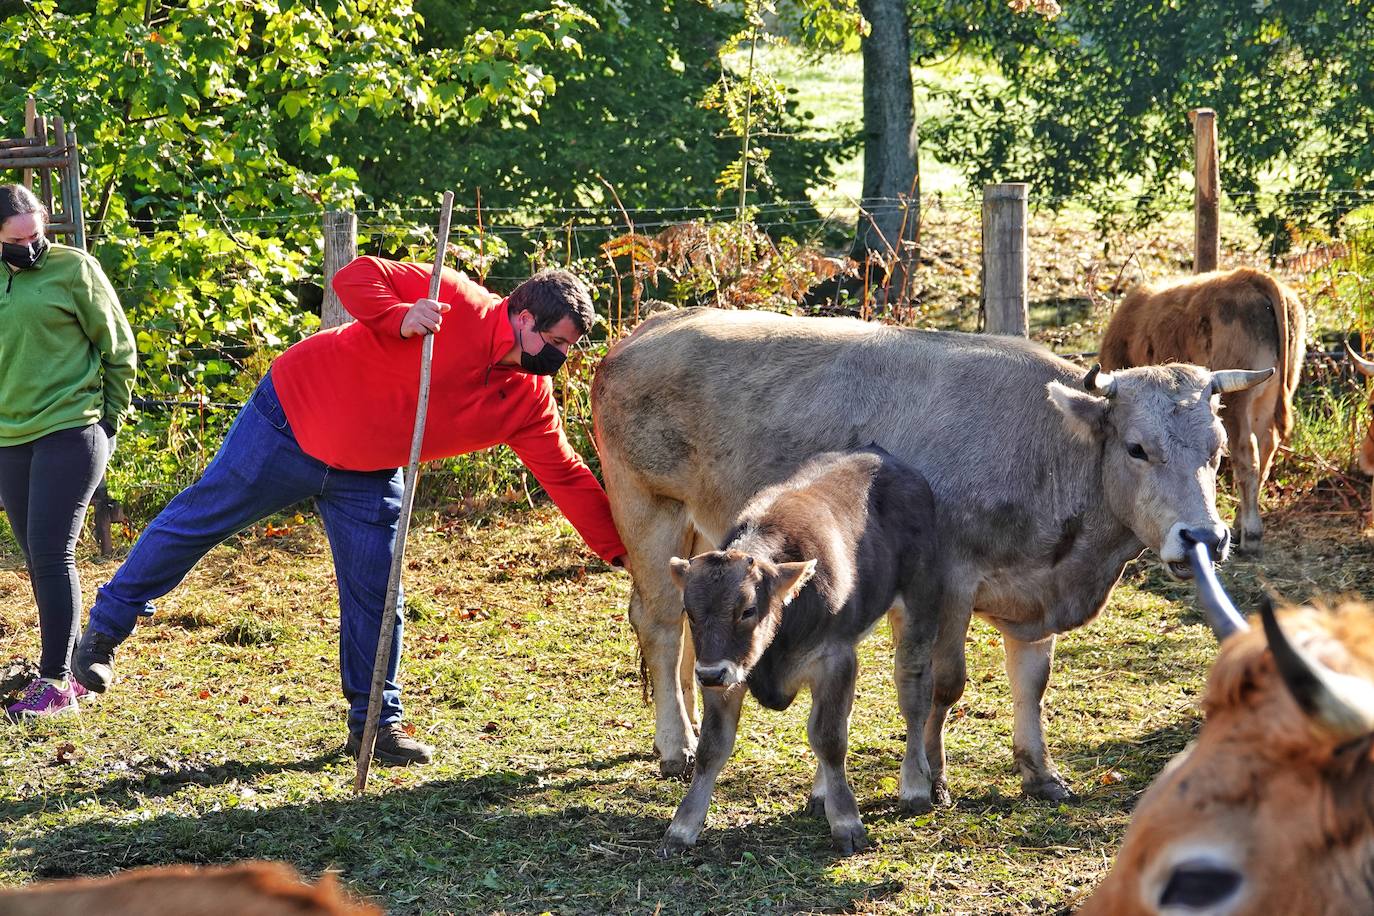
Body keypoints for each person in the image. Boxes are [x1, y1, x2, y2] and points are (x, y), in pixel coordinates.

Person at [73, 256, 629, 764]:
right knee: (197, 524)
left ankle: (375, 727)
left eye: (572, 346)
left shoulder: (526, 402)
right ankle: (102, 633)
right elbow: (355, 276)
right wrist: (400, 316)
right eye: (559, 341)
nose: (563, 356)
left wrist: (624, 551)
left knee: (379, 590)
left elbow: (567, 476)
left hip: (368, 470)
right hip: (290, 421)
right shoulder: (453, 297)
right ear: (525, 319)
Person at [0, 183, 136, 718]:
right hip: (9, 435)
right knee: (35, 557)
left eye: (37, 235)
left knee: (52, 552)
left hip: (72, 426)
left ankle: (57, 681)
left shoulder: (74, 269)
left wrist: (110, 421)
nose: (30, 246)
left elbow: (118, 348)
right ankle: (66, 669)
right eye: (17, 240)